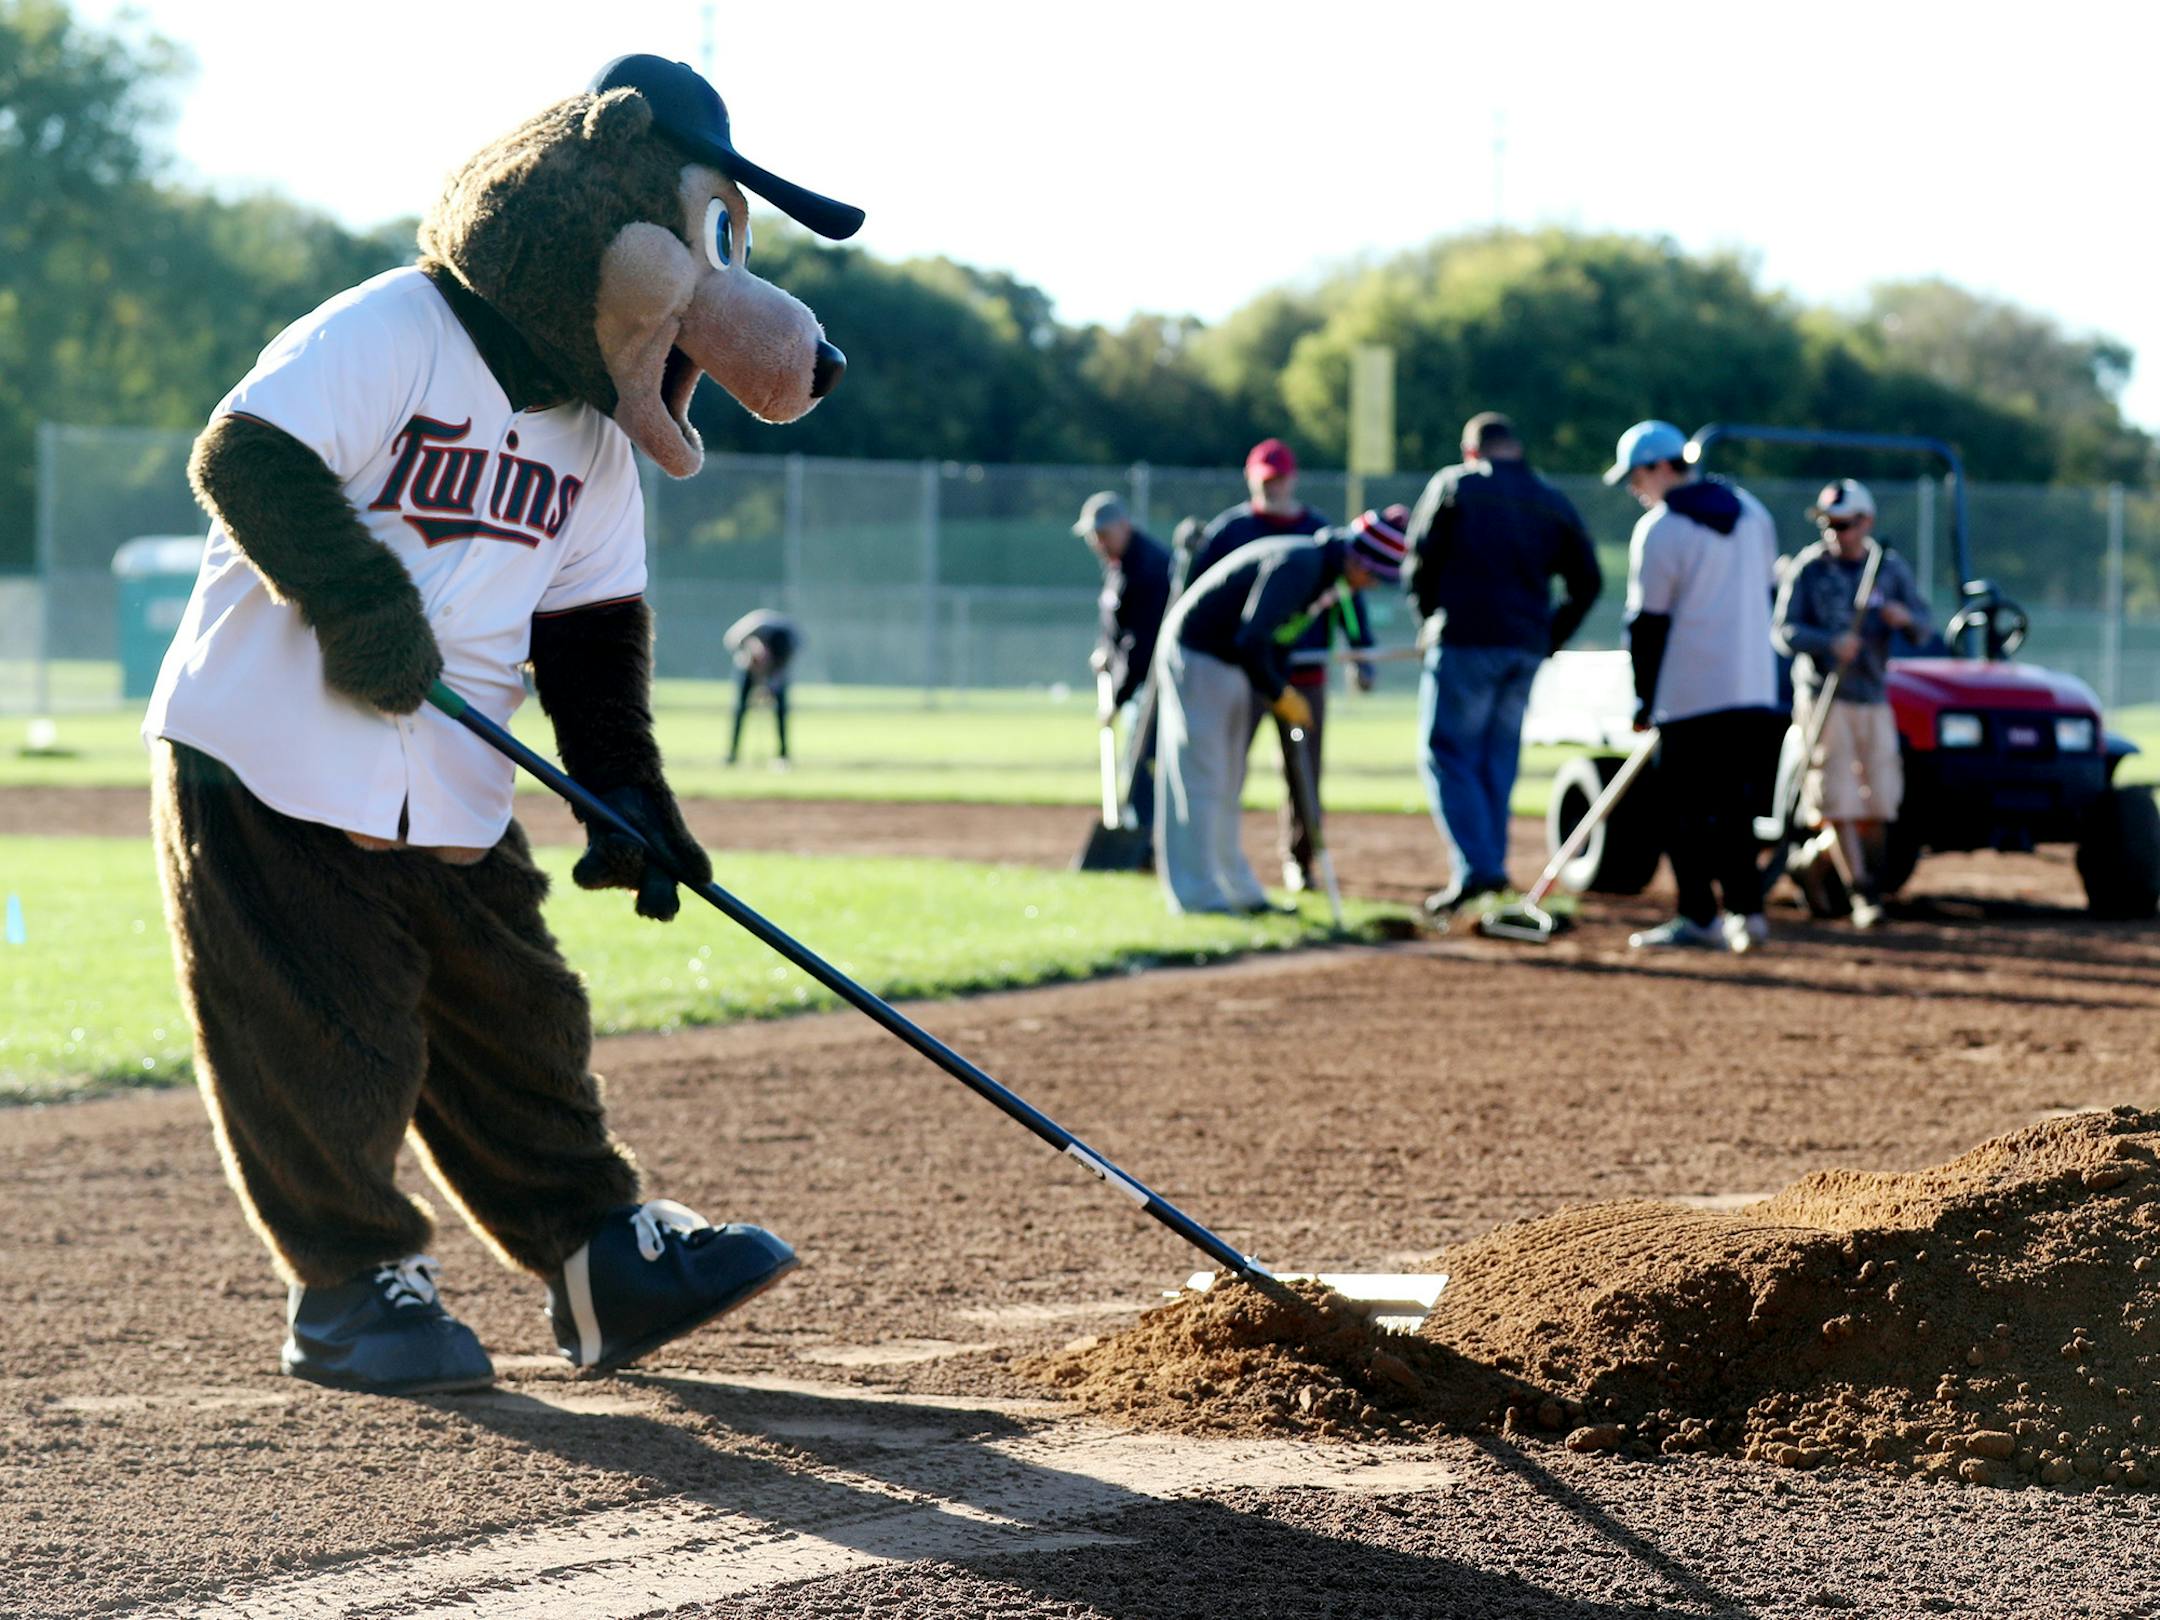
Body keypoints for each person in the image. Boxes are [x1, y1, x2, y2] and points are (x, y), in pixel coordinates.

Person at [1154, 510, 1407, 914]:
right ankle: (1198, 895)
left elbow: (1275, 641)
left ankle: (1238, 890)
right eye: (1375, 576)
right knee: (1203, 778)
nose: (1371, 586)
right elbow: (1253, 638)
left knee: (1228, 781)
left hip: (1229, 665)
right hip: (1200, 657)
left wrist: (1282, 689)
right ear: (1359, 561)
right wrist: (1280, 693)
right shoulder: (1300, 566)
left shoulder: (1323, 575)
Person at [1403, 412, 1602, 915]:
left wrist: (1429, 619)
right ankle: (1488, 865)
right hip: (1523, 647)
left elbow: (1419, 560)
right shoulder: (1551, 499)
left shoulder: (1456, 486)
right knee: (1496, 759)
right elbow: (1588, 581)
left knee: (1450, 753)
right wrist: (1548, 637)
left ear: (1472, 451)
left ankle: (1479, 871)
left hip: (1466, 640)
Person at [1609, 419, 1782, 952]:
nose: (1636, 489)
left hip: (1691, 691)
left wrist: (1643, 697)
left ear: (1663, 467)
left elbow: (1649, 623)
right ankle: (1747, 916)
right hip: (1754, 687)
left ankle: (1698, 915)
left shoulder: (1662, 529)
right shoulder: (1753, 512)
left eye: (1637, 477)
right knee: (1735, 809)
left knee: (1678, 812)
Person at [1771, 479, 1930, 929]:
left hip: (1872, 696)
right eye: (1828, 524)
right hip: (1824, 696)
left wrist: (1904, 618)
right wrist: (1828, 643)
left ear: (1867, 523)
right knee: (1835, 796)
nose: (1835, 533)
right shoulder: (1809, 569)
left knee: (1880, 800)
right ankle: (1864, 892)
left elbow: (1923, 624)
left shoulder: (1889, 570)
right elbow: (1783, 631)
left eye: (1844, 525)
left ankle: (1816, 862)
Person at [1074, 490, 1173, 831]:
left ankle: (1143, 836)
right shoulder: (1119, 564)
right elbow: (1117, 625)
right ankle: (1140, 830)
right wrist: (1105, 651)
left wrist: (1115, 699)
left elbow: (1140, 646)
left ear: (1123, 526)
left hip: (1157, 683)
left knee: (1142, 758)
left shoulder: (1147, 567)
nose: (1097, 542)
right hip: (1139, 681)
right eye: (1092, 536)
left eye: (1102, 534)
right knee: (1138, 757)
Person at [723, 608, 800, 767]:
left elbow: (780, 673)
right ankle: (732, 754)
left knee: (781, 710)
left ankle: (783, 755)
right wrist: (750, 657)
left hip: (775, 666)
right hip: (749, 661)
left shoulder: (788, 644)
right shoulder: (751, 629)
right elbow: (730, 641)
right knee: (740, 709)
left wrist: (769, 687)